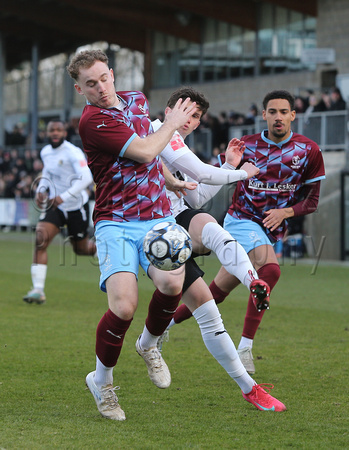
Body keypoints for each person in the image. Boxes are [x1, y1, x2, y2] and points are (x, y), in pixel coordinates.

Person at [66, 49, 200, 421]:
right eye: (90, 84)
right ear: (81, 89)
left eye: (103, 78)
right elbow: (143, 151)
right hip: (116, 221)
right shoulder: (93, 121)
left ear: (112, 74)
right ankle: (103, 381)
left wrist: (170, 180)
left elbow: (153, 158)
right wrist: (172, 123)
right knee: (124, 306)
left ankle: (149, 344)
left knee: (173, 285)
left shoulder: (137, 101)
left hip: (156, 218)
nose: (101, 88)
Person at [166, 89, 326, 375]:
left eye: (283, 112)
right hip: (241, 219)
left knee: (215, 292)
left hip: (271, 227)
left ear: (293, 115)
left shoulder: (309, 150)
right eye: (272, 112)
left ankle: (164, 326)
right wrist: (228, 165)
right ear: (263, 114)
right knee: (271, 271)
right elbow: (209, 179)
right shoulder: (245, 146)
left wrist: (286, 212)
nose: (278, 117)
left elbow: (311, 200)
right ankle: (245, 348)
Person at [152, 87, 286, 412]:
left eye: (197, 117)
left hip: (176, 218)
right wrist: (239, 172)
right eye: (187, 111)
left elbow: (196, 197)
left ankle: (253, 281)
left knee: (215, 238)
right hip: (149, 225)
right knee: (125, 308)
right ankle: (144, 346)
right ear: (170, 109)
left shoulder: (176, 141)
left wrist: (225, 165)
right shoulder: (155, 131)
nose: (191, 120)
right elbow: (200, 173)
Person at [23, 120, 97, 304]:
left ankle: (102, 250)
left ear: (64, 133)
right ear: (47, 133)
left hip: (75, 207)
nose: (55, 133)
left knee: (81, 249)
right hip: (56, 207)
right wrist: (41, 189)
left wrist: (64, 196)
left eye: (58, 130)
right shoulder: (46, 152)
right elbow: (48, 173)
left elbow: (87, 178)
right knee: (40, 240)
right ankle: (38, 290)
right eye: (51, 130)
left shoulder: (73, 152)